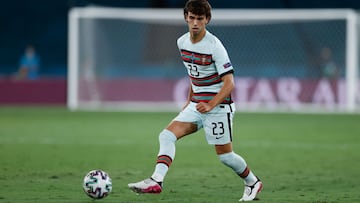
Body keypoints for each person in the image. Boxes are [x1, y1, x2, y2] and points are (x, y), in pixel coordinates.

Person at [128, 0, 263, 201]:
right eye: (191, 18)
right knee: (166, 136)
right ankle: (156, 181)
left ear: (207, 20)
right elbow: (195, 75)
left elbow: (229, 83)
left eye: (200, 19)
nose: (195, 23)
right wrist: (189, 100)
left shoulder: (214, 46)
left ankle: (252, 182)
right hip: (196, 105)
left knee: (225, 156)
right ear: (185, 18)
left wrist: (210, 104)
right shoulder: (181, 42)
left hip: (219, 108)